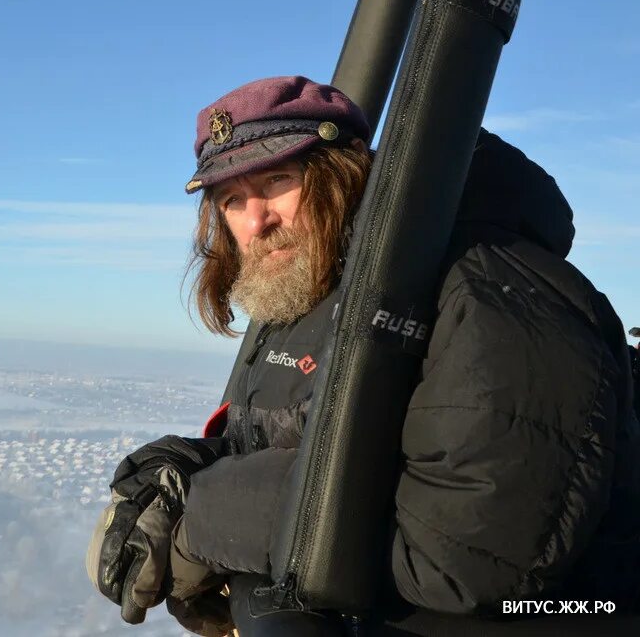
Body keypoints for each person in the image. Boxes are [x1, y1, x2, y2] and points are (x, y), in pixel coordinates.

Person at [86, 76, 640, 635]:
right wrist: (181, 471)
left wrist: (200, 522)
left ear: (344, 176)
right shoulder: (314, 295)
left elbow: (461, 559)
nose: (256, 223)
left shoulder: (491, 294)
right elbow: (299, 440)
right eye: (232, 199)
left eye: (277, 180)